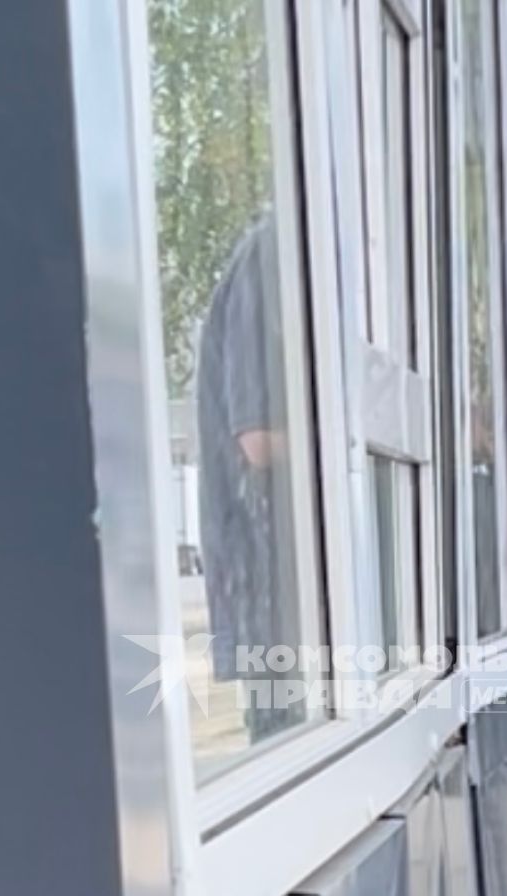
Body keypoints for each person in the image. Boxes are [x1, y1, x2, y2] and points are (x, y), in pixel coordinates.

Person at [194, 211, 299, 745]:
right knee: (290, 745)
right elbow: (256, 440)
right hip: (272, 582)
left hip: (293, 586)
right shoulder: (271, 255)